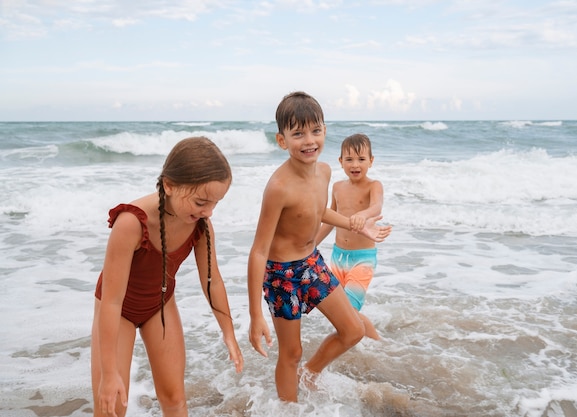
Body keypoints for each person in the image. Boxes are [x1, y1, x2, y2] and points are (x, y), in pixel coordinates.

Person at [247, 91, 391, 402]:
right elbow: (259, 250)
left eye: (315, 130)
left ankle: (310, 373)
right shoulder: (278, 187)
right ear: (282, 140)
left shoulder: (324, 171)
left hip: (312, 263)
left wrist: (352, 222)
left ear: (325, 130)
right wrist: (254, 314)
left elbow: (316, 210)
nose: (309, 140)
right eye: (298, 133)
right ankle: (289, 408)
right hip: (281, 274)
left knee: (352, 330)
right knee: (291, 351)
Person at [91, 137, 243, 417]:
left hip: (159, 305)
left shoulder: (201, 224)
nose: (208, 212)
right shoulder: (130, 223)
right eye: (201, 202)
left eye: (215, 203)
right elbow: (112, 302)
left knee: (174, 398)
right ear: (170, 185)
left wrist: (229, 332)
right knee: (112, 406)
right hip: (117, 311)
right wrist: (109, 373)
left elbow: (213, 281)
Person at [315, 133, 383, 340]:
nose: (355, 164)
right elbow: (330, 220)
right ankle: (356, 343)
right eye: (349, 159)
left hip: (362, 258)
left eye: (361, 159)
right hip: (338, 257)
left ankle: (377, 344)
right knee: (341, 309)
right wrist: (310, 244)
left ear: (371, 161)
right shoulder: (337, 187)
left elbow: (376, 207)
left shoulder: (374, 186)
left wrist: (362, 215)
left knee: (351, 311)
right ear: (341, 162)